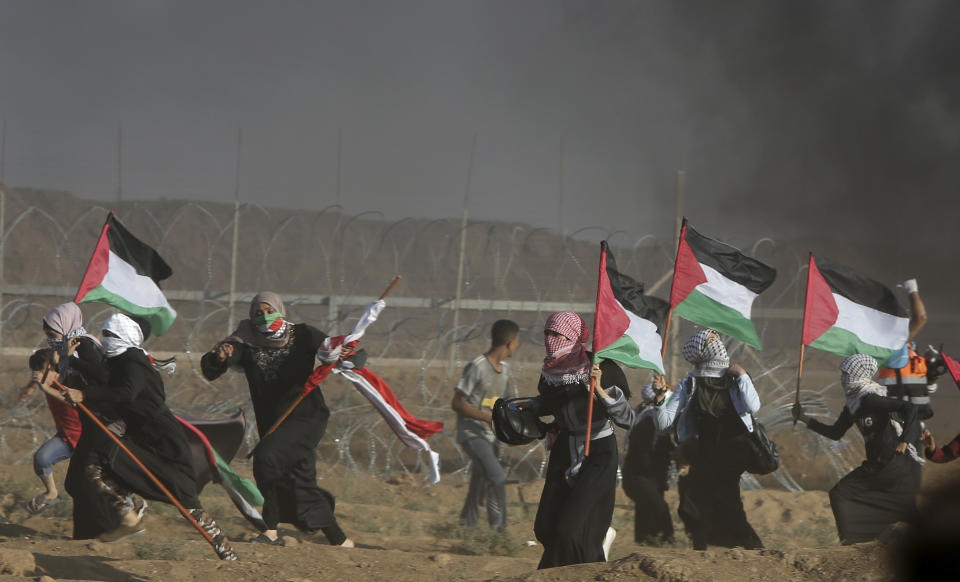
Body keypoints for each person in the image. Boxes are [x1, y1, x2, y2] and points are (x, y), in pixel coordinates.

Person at [61, 313, 238, 560]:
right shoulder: (119, 361)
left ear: (126, 336)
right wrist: (72, 361)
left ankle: (226, 553)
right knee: (97, 467)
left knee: (183, 497)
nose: (107, 339)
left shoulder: (133, 362)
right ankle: (129, 512)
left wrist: (85, 395)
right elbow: (103, 376)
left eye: (112, 335)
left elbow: (127, 393)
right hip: (140, 436)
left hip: (161, 438)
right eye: (105, 335)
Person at [201, 292, 364, 547]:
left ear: (281, 310)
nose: (265, 317)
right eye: (258, 313)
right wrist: (219, 357)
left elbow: (331, 351)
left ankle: (271, 530)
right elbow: (213, 367)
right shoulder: (244, 341)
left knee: (267, 458)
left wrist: (348, 356)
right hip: (274, 421)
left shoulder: (303, 335)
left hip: (306, 416)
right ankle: (339, 540)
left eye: (269, 311)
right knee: (300, 478)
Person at [532, 311, 634, 569]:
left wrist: (599, 390)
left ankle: (589, 558)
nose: (550, 339)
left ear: (572, 337)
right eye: (547, 333)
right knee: (545, 527)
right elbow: (549, 404)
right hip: (565, 448)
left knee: (570, 530)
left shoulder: (601, 367)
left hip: (598, 451)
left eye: (556, 334)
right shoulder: (549, 373)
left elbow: (627, 419)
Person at [793, 353, 922, 545]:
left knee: (840, 494)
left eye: (846, 373)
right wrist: (804, 418)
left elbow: (910, 408)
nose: (843, 379)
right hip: (880, 463)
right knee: (902, 509)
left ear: (858, 373)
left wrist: (904, 440)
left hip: (892, 462)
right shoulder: (854, 404)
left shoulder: (870, 398)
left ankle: (851, 543)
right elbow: (836, 432)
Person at [656, 329, 762, 551]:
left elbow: (754, 407)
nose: (718, 345)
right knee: (696, 502)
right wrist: (659, 398)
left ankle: (755, 551)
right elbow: (665, 422)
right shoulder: (690, 384)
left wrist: (742, 374)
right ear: (701, 352)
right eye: (711, 342)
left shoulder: (734, 376)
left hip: (735, 449)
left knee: (717, 500)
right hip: (707, 451)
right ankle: (707, 551)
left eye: (717, 340)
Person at [24, 304, 110, 537]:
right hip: (66, 435)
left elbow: (71, 400)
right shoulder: (62, 363)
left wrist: (45, 386)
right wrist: (32, 387)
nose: (51, 340)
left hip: (82, 435)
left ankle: (126, 508)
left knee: (92, 481)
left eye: (53, 335)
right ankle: (53, 496)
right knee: (46, 462)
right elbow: (44, 371)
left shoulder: (69, 371)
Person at [451, 319, 519, 531]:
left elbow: (504, 403)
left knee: (481, 479)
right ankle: (499, 533)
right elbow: (457, 403)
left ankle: (466, 526)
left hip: (491, 436)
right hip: (472, 434)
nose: (517, 346)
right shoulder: (477, 367)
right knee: (497, 477)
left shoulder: (505, 370)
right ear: (509, 342)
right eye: (517, 342)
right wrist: (487, 418)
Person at [622, 381, 675, 545]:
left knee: (646, 509)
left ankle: (647, 542)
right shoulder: (648, 420)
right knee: (659, 509)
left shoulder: (645, 415)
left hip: (648, 476)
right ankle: (667, 542)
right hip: (641, 476)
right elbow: (645, 456)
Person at [876, 279, 934, 418]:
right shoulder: (894, 345)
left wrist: (932, 376)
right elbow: (920, 318)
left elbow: (913, 380)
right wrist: (912, 290)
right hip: (900, 418)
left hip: (911, 416)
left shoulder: (906, 347)